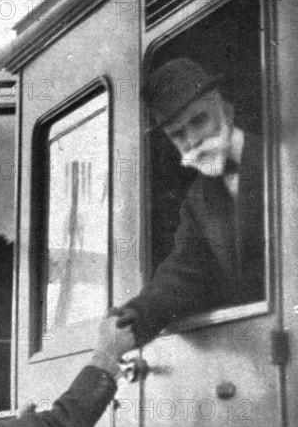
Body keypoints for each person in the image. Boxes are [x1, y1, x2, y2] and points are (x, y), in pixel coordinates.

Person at [110, 57, 264, 357]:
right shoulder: (198, 200)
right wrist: (135, 317)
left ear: (225, 108)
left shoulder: (287, 158)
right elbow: (184, 273)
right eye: (177, 135)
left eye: (199, 120)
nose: (192, 140)